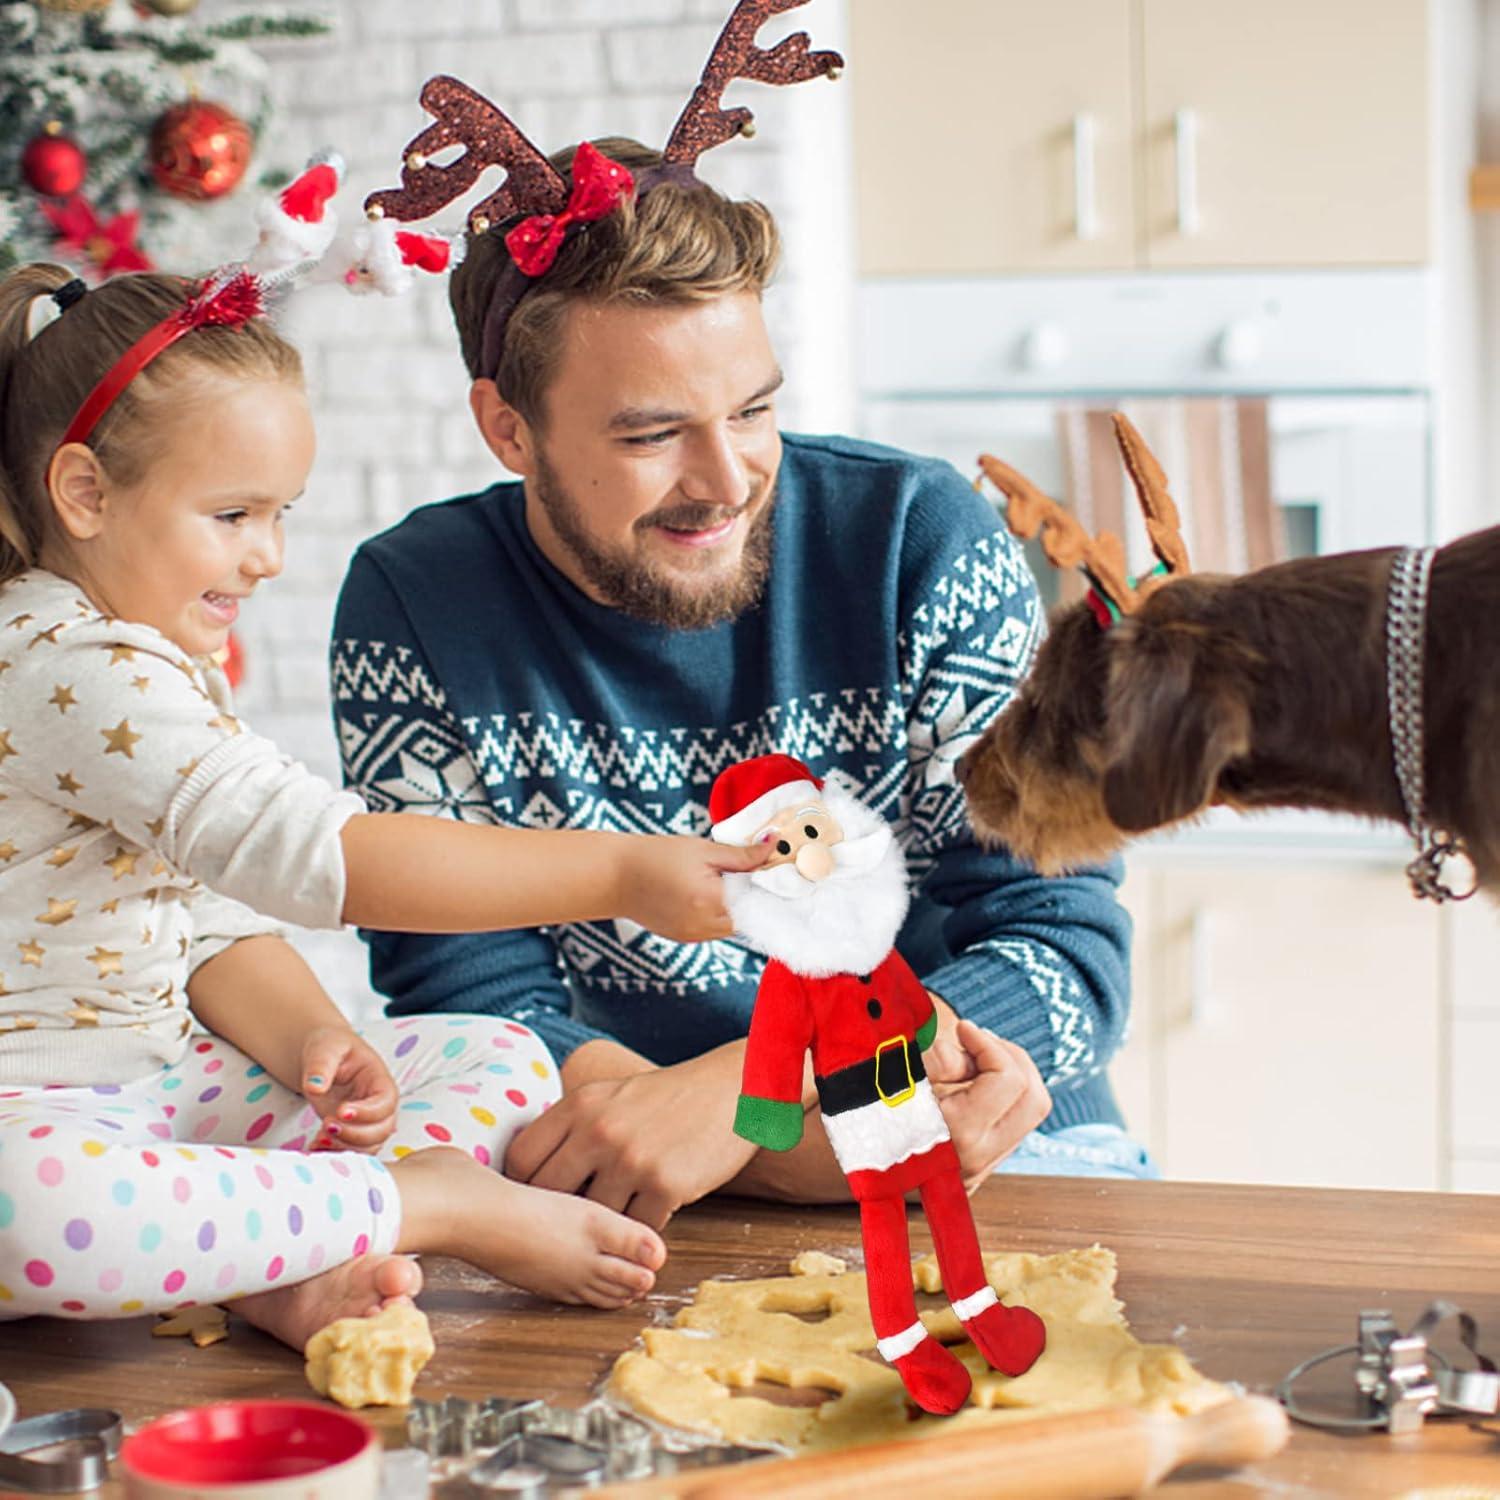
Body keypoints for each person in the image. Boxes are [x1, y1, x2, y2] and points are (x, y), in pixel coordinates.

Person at [330, 131, 1150, 1237]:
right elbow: (469, 1004)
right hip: (639, 1181)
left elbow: (1062, 945)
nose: (727, 484)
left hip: (1001, 1144)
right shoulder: (413, 606)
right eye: (654, 433)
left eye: (753, 411)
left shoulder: (919, 540)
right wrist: (768, 1152)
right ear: (507, 429)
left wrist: (764, 1095)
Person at [0, 262, 768, 1349]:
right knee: (35, 1215)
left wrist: (311, 1035)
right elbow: (321, 855)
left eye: (279, 515)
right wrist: (620, 870)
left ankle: (285, 1263)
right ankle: (426, 1205)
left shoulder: (148, 652)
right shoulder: (67, 665)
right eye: (231, 515)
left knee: (501, 1059)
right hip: (35, 1122)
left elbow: (209, 917)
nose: (265, 557)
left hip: (162, 1088)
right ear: (83, 493)